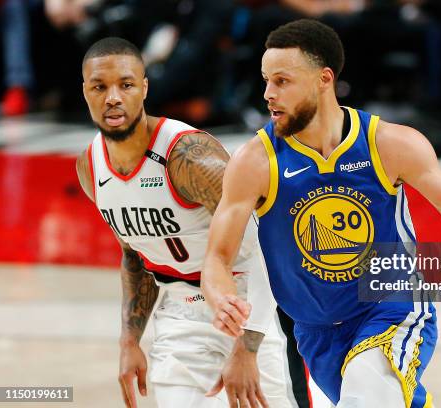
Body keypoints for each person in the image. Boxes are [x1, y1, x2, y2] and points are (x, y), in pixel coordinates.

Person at [202, 19, 441, 407]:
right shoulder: (254, 162)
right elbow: (217, 258)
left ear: (323, 79)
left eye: (282, 81)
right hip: (316, 330)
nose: (268, 94)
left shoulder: (390, 144)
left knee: (368, 395)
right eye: (266, 81)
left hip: (391, 304)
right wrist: (222, 299)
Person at [75, 37, 302, 408]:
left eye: (126, 85)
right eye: (100, 86)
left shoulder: (189, 158)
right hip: (178, 315)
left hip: (240, 306)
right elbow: (134, 255)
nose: (112, 97)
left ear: (144, 88)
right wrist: (130, 340)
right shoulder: (90, 167)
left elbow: (266, 248)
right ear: (85, 91)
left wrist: (247, 348)